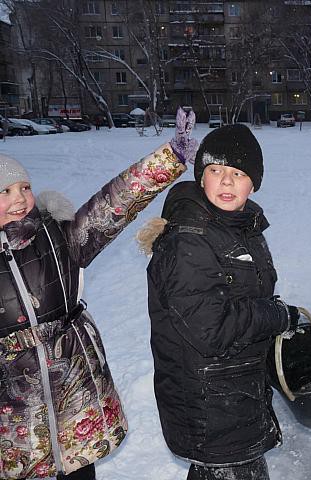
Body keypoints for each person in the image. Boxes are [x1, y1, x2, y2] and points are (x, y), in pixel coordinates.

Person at [0, 107, 196, 480]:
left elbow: (114, 204)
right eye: (5, 191)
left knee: (79, 472)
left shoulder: (58, 237)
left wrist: (170, 158)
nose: (20, 198)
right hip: (17, 416)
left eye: (24, 187)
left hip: (75, 388)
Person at [137, 124, 299, 480]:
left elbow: (244, 298)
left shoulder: (240, 226)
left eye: (238, 173)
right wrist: (276, 315)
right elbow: (211, 328)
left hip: (233, 392)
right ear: (201, 178)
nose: (226, 182)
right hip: (210, 402)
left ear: (253, 183)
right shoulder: (188, 241)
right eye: (215, 171)